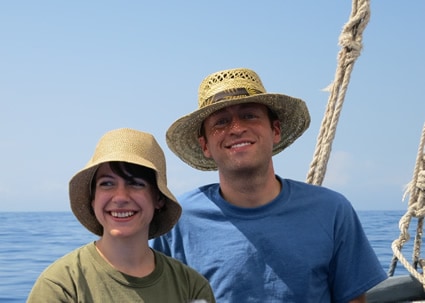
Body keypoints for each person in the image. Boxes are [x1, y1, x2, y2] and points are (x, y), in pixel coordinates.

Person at [150, 68, 387, 302]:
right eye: (221, 122)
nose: (236, 128)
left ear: (275, 130)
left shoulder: (332, 210)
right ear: (205, 145)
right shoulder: (178, 220)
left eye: (249, 115)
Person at [27, 128, 216, 303]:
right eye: (107, 184)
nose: (120, 197)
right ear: (93, 199)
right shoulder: (61, 285)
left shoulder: (192, 287)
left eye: (136, 183)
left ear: (158, 198)